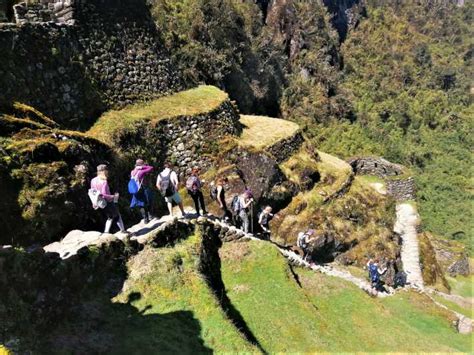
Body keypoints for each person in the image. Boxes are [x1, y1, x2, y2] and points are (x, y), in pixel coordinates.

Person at [90, 164, 126, 234]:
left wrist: (93, 203)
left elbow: (92, 192)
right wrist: (113, 196)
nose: (107, 172)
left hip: (99, 202)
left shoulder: (93, 180)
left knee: (110, 217)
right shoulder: (104, 181)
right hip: (108, 201)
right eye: (106, 170)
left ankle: (106, 232)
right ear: (104, 171)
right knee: (117, 216)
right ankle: (122, 230)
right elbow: (104, 194)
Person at [129, 159, 154, 224]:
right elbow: (151, 168)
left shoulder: (132, 171)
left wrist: (138, 167)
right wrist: (143, 167)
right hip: (142, 189)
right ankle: (150, 216)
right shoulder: (142, 171)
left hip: (135, 190)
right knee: (149, 201)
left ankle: (145, 219)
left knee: (140, 204)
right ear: (141, 164)